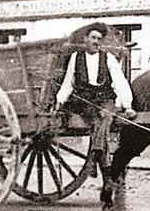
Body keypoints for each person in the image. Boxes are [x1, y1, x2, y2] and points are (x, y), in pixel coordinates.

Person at [55, 23, 137, 186]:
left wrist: (127, 105)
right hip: (83, 100)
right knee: (95, 120)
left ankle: (93, 157)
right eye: (93, 38)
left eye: (99, 39)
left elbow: (120, 81)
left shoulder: (108, 58)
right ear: (86, 39)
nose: (96, 41)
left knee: (105, 116)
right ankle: (100, 165)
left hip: (104, 98)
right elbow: (68, 83)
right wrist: (59, 102)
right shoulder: (75, 58)